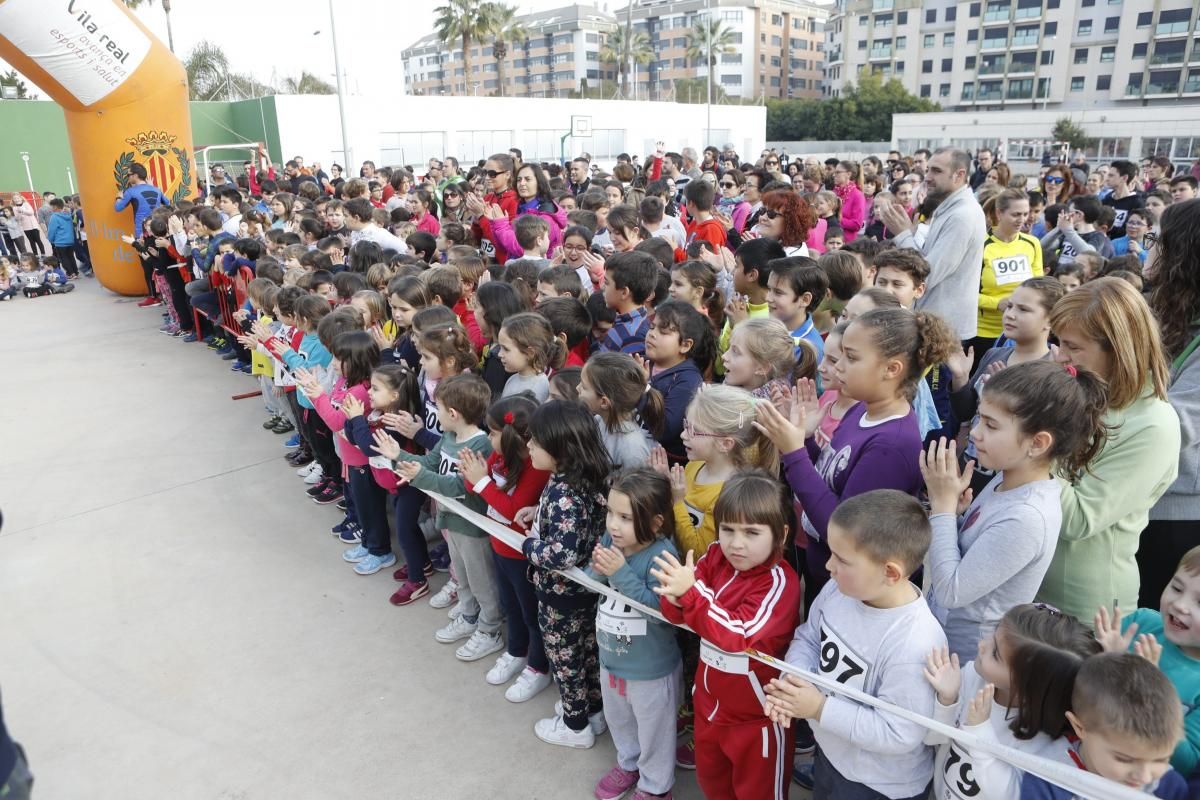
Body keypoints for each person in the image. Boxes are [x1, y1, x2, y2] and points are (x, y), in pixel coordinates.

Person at [755, 307, 957, 607]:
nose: (839, 368)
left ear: (892, 369)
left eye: (852, 357)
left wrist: (793, 451)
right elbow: (831, 474)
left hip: (850, 590)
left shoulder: (892, 445)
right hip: (825, 572)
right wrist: (806, 439)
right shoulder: (863, 409)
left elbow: (840, 527)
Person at [920, 360, 1108, 659]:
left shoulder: (1027, 516)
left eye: (992, 425)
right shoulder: (1006, 480)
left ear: (1037, 443)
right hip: (944, 646)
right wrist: (954, 517)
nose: (977, 433)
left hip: (969, 662)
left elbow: (951, 591)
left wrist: (941, 509)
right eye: (980, 419)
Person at [770, 489, 946, 799]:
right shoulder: (840, 591)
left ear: (890, 572)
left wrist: (820, 707)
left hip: (878, 785)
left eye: (841, 559)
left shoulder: (916, 643)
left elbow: (899, 732)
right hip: (831, 753)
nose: (828, 566)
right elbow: (809, 637)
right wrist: (794, 681)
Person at [1036, 278, 1181, 622]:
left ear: (1116, 349)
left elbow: (1078, 520)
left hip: (1084, 607)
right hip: (1033, 582)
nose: (1060, 356)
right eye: (1058, 343)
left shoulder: (1154, 425)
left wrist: (1035, 445)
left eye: (1072, 346)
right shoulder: (1081, 394)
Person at [652, 470, 802, 800]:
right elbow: (680, 612)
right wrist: (675, 596)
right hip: (709, 709)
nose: (736, 543)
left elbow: (738, 633)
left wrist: (689, 594)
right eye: (728, 529)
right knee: (714, 785)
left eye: (752, 532)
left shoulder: (779, 583)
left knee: (757, 793)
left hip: (757, 720)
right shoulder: (715, 554)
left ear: (781, 534)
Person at [376, 374, 504, 661]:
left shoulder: (481, 446)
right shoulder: (448, 437)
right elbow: (428, 464)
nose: (434, 414)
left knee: (482, 581)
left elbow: (463, 488)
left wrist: (422, 477)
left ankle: (490, 629)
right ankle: (470, 616)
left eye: (439, 408)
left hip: (472, 527)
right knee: (462, 577)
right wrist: (398, 456)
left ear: (454, 414)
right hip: (449, 522)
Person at [923, 604, 1101, 799]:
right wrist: (947, 700)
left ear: (1029, 688)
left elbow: (1008, 795)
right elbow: (932, 741)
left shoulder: (1041, 743)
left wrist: (980, 732)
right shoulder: (973, 677)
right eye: (994, 633)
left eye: (995, 654)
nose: (982, 644)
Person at [517, 401, 611, 748]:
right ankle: (595, 712)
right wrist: (539, 512)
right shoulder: (583, 477)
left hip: (559, 597)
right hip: (588, 592)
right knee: (588, 655)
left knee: (565, 660)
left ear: (558, 447)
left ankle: (574, 726)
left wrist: (528, 546)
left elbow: (562, 552)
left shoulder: (562, 492)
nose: (528, 446)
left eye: (535, 442)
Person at [586, 467, 682, 800]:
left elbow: (662, 614)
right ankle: (629, 764)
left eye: (625, 517)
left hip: (650, 671)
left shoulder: (663, 556)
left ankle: (656, 786)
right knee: (620, 720)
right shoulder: (611, 541)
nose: (613, 525)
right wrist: (598, 571)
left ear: (655, 523)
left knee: (655, 730)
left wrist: (620, 574)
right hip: (612, 659)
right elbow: (592, 575)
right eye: (611, 512)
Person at [458, 395, 553, 700]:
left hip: (520, 554)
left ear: (510, 436)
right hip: (498, 544)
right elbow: (473, 486)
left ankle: (538, 667)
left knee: (530, 613)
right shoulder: (501, 456)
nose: (488, 438)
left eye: (493, 432)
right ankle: (517, 651)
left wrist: (482, 482)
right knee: (510, 605)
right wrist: (473, 475)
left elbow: (514, 508)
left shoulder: (535, 468)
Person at [1020, 653, 1189, 799]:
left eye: (1161, 759)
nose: (1145, 777)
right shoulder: (1048, 779)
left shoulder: (1169, 786)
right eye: (1124, 759)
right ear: (1080, 728)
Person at [1141, 199, 1200, 606]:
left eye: (1157, 239)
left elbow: (1180, 424)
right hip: (1141, 495)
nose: (1149, 247)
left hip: (1174, 514)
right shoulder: (1167, 315)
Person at [1097, 546, 1200, 775]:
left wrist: (1150, 689)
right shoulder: (1141, 623)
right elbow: (1080, 690)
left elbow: (1186, 764)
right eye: (1176, 587)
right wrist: (1107, 661)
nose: (1180, 604)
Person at [878, 148, 987, 341]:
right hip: (934, 324)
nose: (927, 177)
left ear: (959, 175)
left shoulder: (962, 216)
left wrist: (903, 234)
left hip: (944, 331)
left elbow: (926, 275)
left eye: (936, 171)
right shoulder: (949, 208)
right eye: (927, 170)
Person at [973, 188, 1043, 356]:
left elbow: (1040, 286)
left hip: (1022, 330)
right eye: (1016, 214)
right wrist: (997, 303)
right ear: (999, 213)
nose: (1022, 220)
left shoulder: (1032, 243)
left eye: (1025, 214)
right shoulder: (980, 246)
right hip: (985, 331)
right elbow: (964, 293)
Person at [579, 353, 660, 469]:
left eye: (584, 387)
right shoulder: (598, 421)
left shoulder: (632, 450)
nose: (577, 388)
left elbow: (635, 486)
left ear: (604, 402)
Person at [1101, 160, 1145, 240]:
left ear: (1124, 178)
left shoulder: (1137, 202)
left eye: (1111, 175)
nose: (1107, 179)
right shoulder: (1107, 199)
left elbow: (1129, 229)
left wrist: (1108, 228)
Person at [45, 198, 78, 279]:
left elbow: (52, 230)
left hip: (60, 242)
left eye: (51, 206)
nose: (50, 208)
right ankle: (75, 272)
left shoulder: (54, 217)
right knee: (71, 257)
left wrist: (51, 239)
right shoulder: (68, 215)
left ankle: (70, 274)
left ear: (55, 207)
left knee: (64, 259)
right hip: (70, 240)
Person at [832, 161, 866, 242]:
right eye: (834, 172)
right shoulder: (834, 192)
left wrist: (837, 220)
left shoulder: (857, 195)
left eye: (838, 172)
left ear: (848, 174)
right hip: (831, 239)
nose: (834, 175)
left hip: (847, 242)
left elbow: (857, 224)